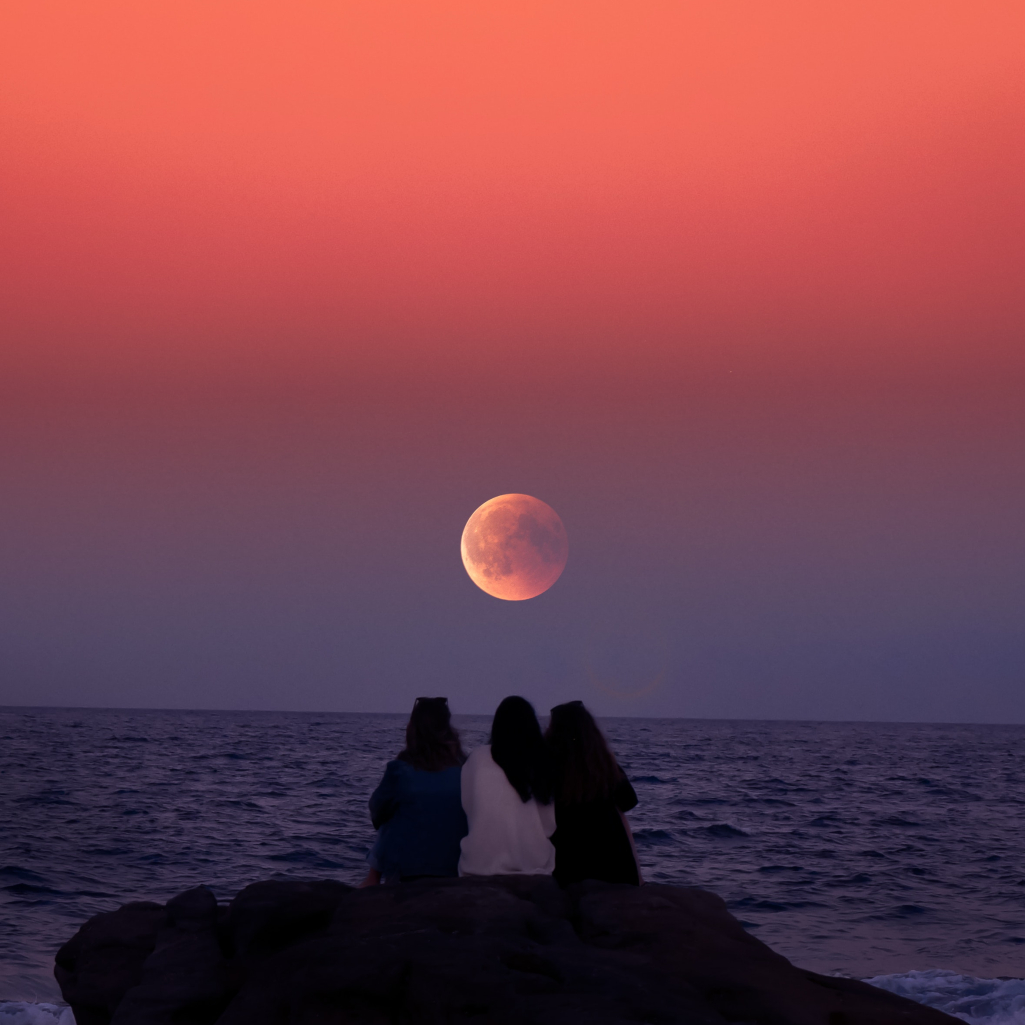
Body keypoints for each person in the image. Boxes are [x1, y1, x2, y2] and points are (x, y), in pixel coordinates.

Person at [361, 697, 468, 886]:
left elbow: (376, 812)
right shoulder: (465, 768)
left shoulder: (400, 770)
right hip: (455, 867)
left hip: (408, 872)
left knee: (392, 814)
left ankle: (372, 879)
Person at [544, 700, 640, 886]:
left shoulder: (547, 767)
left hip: (567, 866)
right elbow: (627, 804)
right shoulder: (605, 768)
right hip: (613, 866)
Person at [458, 696, 556, 876]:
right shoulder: (542, 761)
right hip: (532, 865)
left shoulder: (477, 758)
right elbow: (549, 825)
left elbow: (469, 807)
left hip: (478, 865)